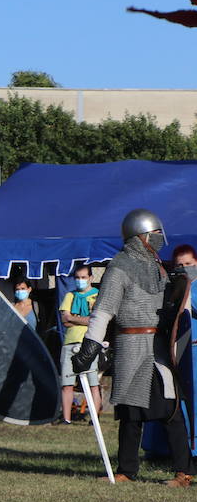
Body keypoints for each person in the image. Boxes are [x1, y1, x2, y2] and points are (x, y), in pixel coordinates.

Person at [72, 208, 193, 486]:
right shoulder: (120, 267)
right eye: (155, 235)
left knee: (169, 410)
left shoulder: (160, 268)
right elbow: (103, 311)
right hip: (129, 346)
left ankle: (183, 472)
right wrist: (89, 348)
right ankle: (127, 470)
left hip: (157, 348)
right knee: (130, 414)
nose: (160, 239)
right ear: (140, 237)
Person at [57, 266, 103, 425]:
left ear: (91, 278)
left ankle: (94, 418)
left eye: (83, 277)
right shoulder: (70, 295)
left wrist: (74, 318)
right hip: (70, 343)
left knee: (93, 384)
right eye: (77, 277)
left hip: (90, 342)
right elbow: (64, 320)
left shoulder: (97, 296)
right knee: (67, 384)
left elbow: (96, 320)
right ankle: (66, 418)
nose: (80, 280)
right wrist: (85, 319)